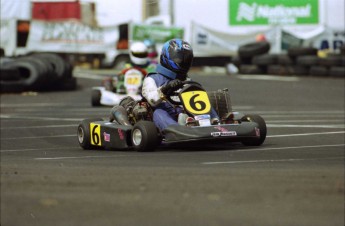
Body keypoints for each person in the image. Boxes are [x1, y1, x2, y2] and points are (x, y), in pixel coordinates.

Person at [141, 38, 220, 131]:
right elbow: (152, 100)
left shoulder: (187, 80)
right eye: (179, 58)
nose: (183, 62)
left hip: (187, 112)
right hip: (167, 113)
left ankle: (216, 123)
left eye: (186, 59)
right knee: (158, 112)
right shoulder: (152, 78)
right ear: (166, 57)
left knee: (202, 99)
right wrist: (166, 88)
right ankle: (175, 130)